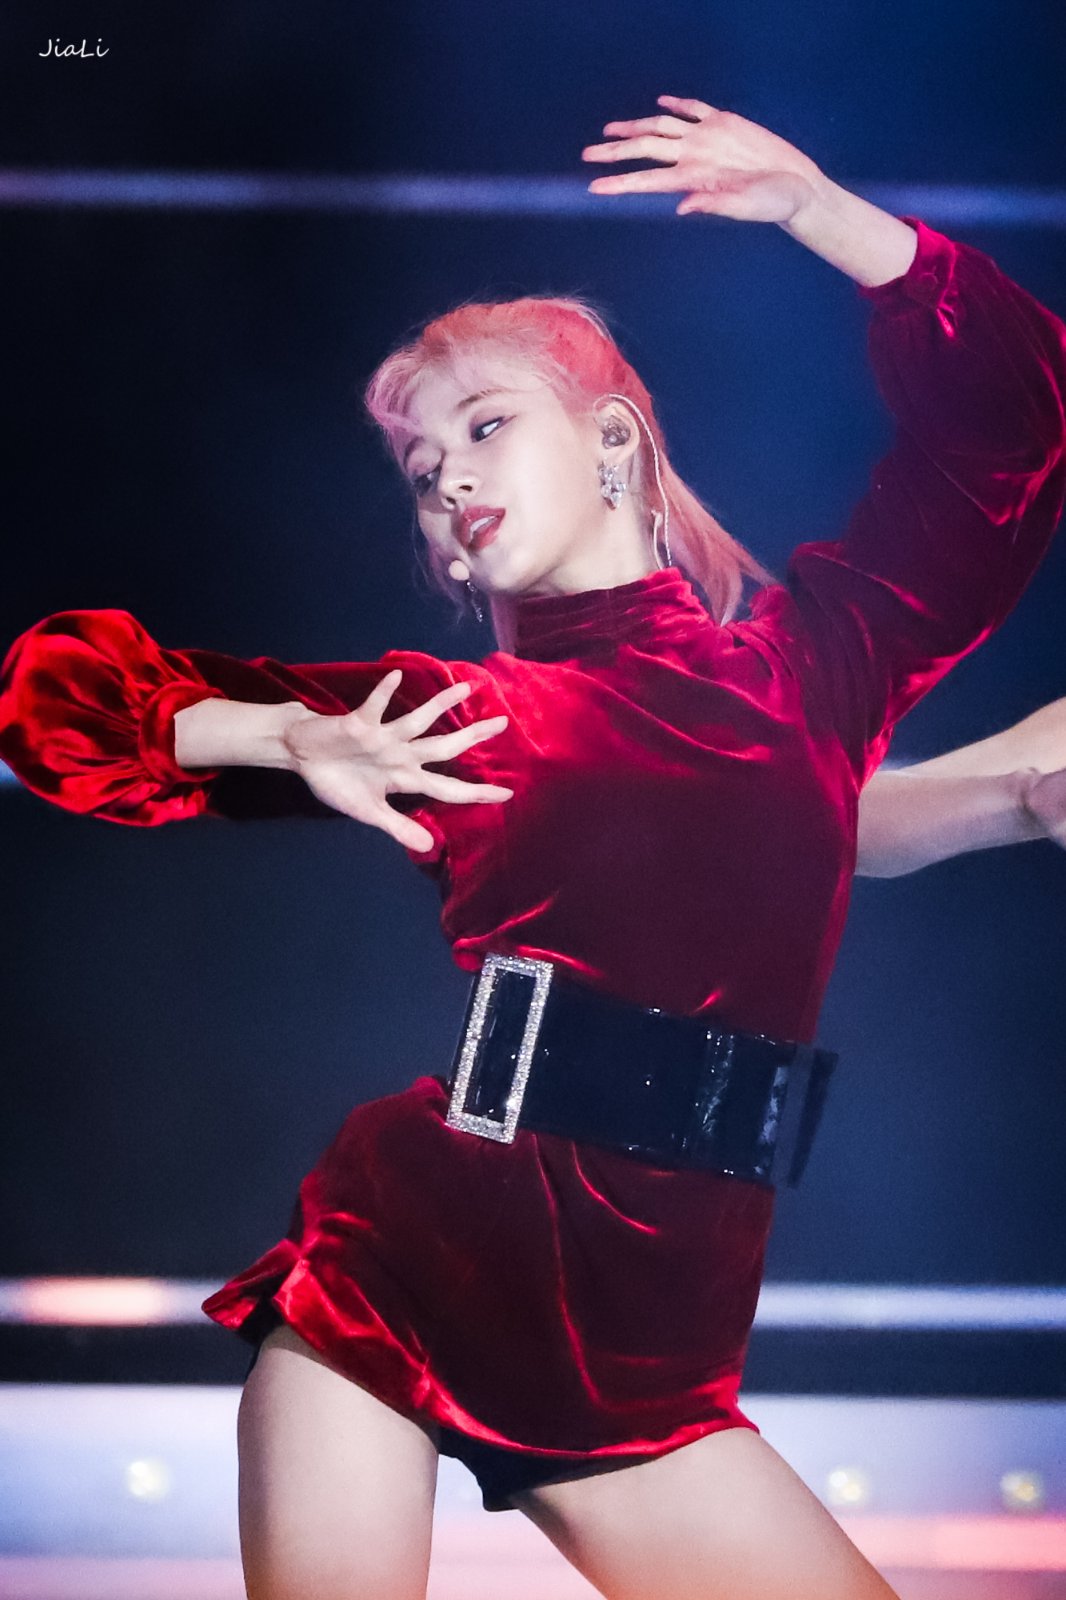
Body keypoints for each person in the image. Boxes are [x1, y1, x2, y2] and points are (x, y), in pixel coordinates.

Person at [1, 95, 1065, 1600]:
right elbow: (48, 707)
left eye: (484, 425)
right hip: (407, 1277)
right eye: (421, 467)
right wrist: (272, 734)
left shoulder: (812, 671)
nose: (447, 480)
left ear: (613, 439)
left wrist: (822, 210)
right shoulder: (453, 720)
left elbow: (1014, 425)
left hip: (650, 1361)